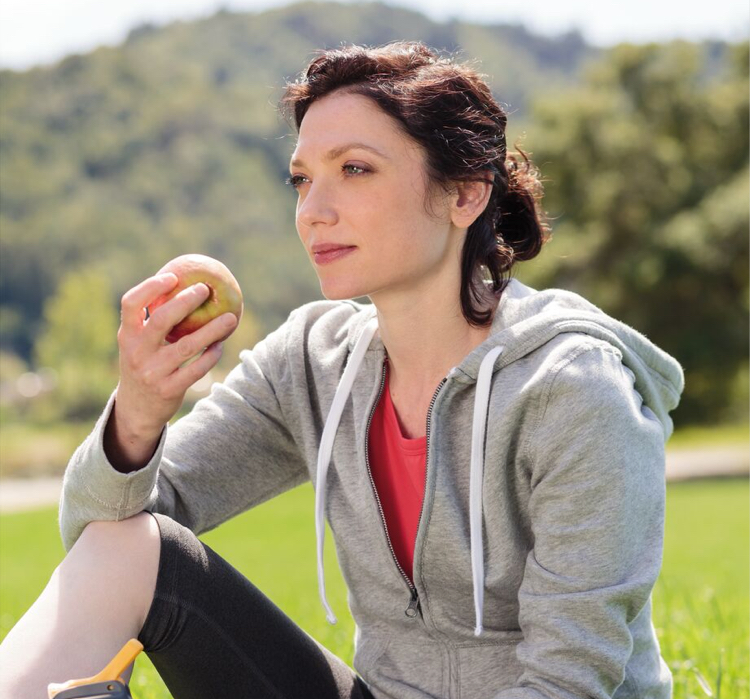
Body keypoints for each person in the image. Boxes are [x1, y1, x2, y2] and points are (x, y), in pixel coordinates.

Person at [0, 40, 684, 699]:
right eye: (302, 179)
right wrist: (140, 410)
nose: (313, 212)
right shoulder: (311, 362)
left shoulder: (572, 388)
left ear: (466, 193)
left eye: (354, 169)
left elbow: (570, 681)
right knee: (134, 547)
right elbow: (100, 543)